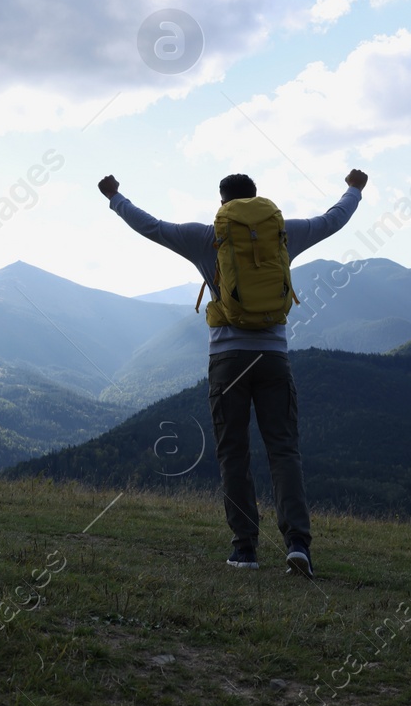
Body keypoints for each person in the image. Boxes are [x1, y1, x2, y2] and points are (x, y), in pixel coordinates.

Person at [97, 169, 367, 578]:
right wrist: (354, 190)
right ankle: (297, 544)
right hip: (273, 358)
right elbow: (332, 220)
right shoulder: (282, 234)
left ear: (222, 203)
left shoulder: (207, 237)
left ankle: (245, 549)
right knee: (283, 451)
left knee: (233, 452)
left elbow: (150, 226)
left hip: (228, 361)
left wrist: (116, 197)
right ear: (257, 200)